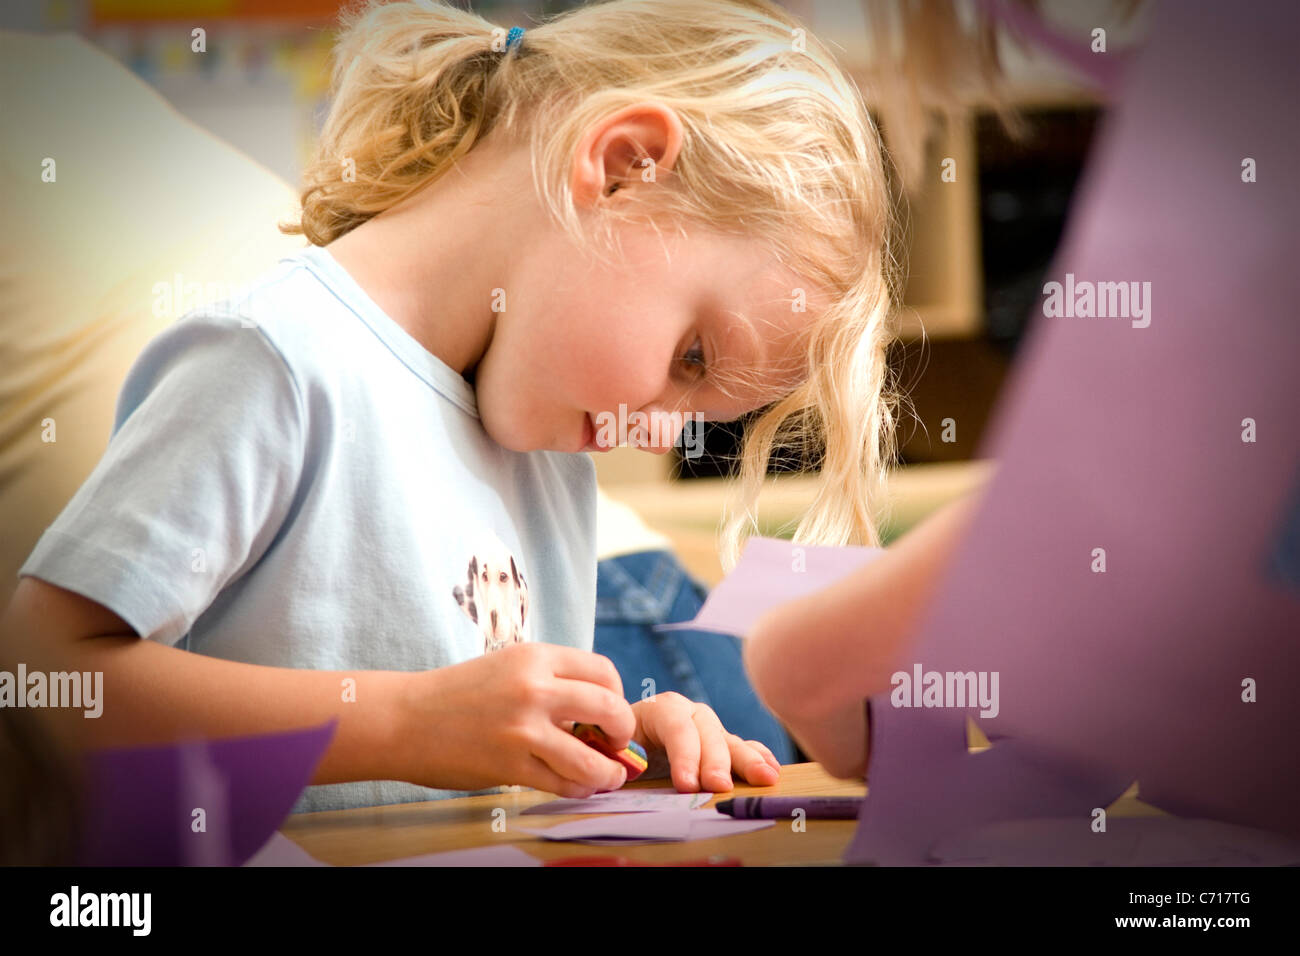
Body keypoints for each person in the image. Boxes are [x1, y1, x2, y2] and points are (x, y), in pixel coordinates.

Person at [4, 0, 902, 812]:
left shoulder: (549, 462)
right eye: (691, 358)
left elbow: (465, 742)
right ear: (624, 165)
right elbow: (46, 669)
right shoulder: (283, 359)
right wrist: (404, 723)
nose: (661, 426)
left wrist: (605, 741)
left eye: (703, 412)